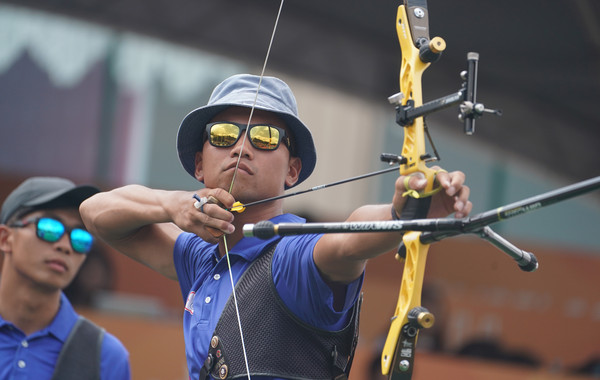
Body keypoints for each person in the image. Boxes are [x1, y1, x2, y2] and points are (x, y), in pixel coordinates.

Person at [80, 73, 472, 380]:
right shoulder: (202, 255)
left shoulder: (293, 257)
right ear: (200, 165)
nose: (241, 147)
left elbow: (347, 241)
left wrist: (402, 215)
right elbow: (95, 211)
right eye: (223, 135)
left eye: (265, 137)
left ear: (293, 170)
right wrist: (171, 203)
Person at [0, 177, 131, 380]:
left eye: (80, 238)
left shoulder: (104, 356)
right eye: (50, 228)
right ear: (6, 238)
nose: (65, 246)